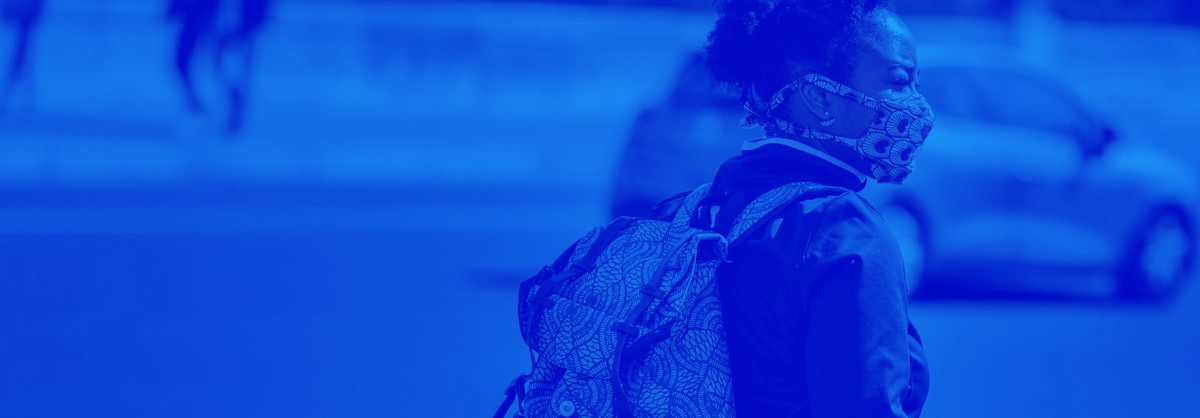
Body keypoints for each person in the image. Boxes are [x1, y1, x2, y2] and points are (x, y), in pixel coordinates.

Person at [649, 0, 934, 416]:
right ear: (820, 98)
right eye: (899, 81)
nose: (917, 105)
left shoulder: (679, 214)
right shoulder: (843, 232)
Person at [0, 0, 43, 115]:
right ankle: (20, 99)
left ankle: (17, 99)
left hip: (22, 24)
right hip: (20, 23)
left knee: (19, 58)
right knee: (19, 58)